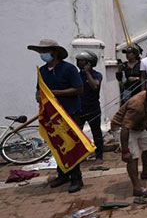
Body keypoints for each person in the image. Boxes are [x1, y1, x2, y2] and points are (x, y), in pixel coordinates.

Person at [29, 39, 85, 193]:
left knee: (71, 146)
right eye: (41, 52)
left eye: (45, 51)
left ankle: (76, 178)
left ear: (54, 52)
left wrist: (56, 93)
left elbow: (79, 89)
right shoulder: (42, 71)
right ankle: (62, 174)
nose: (42, 54)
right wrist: (38, 96)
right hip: (51, 116)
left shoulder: (69, 69)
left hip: (70, 113)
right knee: (57, 145)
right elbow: (39, 89)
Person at [110, 81, 147, 197]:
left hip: (137, 127)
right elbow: (125, 128)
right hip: (122, 128)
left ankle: (146, 171)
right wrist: (125, 151)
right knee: (132, 156)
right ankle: (137, 188)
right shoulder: (137, 105)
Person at [75, 51, 105, 167]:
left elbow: (95, 86)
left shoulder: (97, 75)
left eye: (81, 61)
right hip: (79, 109)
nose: (78, 63)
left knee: (96, 132)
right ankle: (80, 154)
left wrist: (87, 73)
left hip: (93, 108)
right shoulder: (76, 76)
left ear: (89, 63)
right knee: (77, 133)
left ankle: (99, 156)